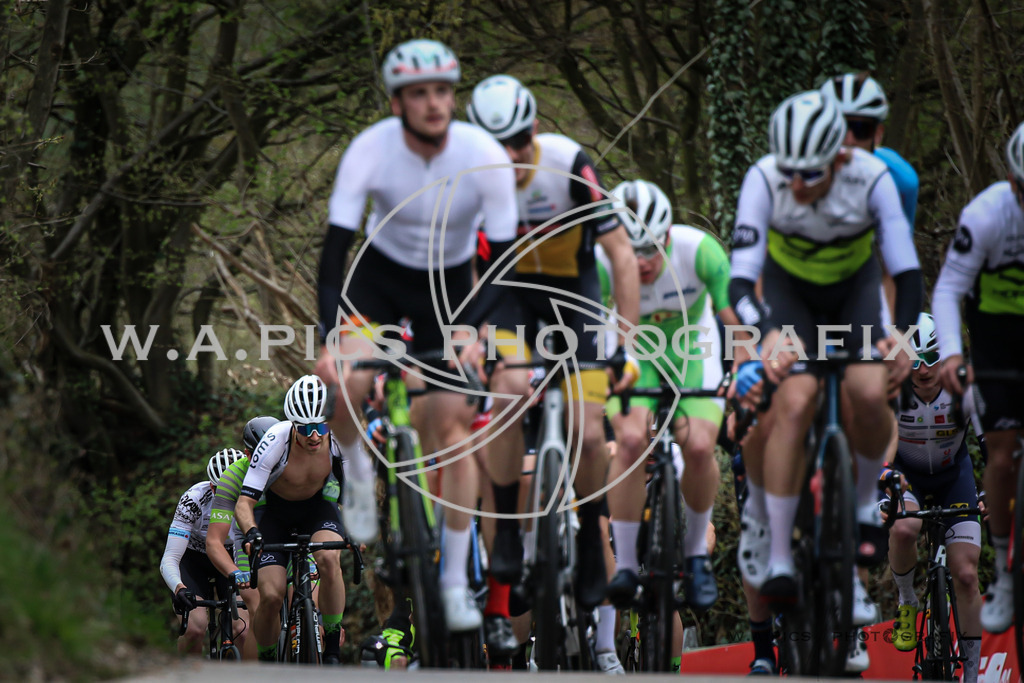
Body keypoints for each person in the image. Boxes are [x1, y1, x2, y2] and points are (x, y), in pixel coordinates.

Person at [314, 39, 519, 632]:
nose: (435, 104)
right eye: (420, 93)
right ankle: (355, 471)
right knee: (343, 378)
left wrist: (478, 330)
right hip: (377, 279)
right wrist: (332, 336)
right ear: (398, 102)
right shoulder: (369, 151)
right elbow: (333, 260)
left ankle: (456, 581)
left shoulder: (483, 154)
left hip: (450, 286)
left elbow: (502, 263)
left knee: (450, 427)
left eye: (443, 91)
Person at [727, 90, 922, 606]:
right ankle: (780, 557)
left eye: (809, 174)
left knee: (868, 388)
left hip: (852, 291)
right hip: (790, 293)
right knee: (793, 401)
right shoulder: (763, 178)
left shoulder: (873, 179)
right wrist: (766, 333)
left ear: (840, 156)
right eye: (788, 170)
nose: (796, 184)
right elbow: (740, 284)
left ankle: (862, 504)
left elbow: (905, 272)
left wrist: (899, 339)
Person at [464, 73, 639, 612]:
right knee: (510, 390)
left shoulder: (568, 162)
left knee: (590, 433)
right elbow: (463, 264)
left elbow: (622, 256)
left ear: (535, 129)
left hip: (575, 298)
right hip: (512, 300)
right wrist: (472, 333)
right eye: (499, 147)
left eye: (520, 142)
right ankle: (509, 530)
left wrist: (624, 344)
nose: (512, 156)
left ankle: (590, 536)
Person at [595, 178, 736, 614]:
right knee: (632, 441)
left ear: (669, 235)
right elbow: (593, 331)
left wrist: (745, 371)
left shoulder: (700, 252)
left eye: (652, 250)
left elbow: (736, 323)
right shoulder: (601, 262)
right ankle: (627, 566)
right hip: (636, 349)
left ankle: (695, 554)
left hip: (694, 347)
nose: (642, 263)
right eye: (632, 253)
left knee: (698, 446)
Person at [932, 120, 1024, 634]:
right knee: (1003, 448)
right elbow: (947, 291)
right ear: (1014, 181)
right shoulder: (987, 214)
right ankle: (1007, 566)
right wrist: (949, 356)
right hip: (996, 338)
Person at [881, 312, 982, 683]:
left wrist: (987, 493)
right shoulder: (891, 390)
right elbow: (878, 449)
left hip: (954, 477)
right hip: (908, 478)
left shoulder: (965, 388)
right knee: (904, 529)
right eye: (915, 359)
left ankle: (971, 673)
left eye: (933, 358)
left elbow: (989, 443)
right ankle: (907, 600)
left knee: (968, 574)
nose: (924, 370)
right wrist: (883, 492)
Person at [235, 375, 350, 663]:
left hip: (317, 510)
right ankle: (268, 655)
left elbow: (356, 492)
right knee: (271, 597)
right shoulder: (275, 441)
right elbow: (244, 503)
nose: (314, 435)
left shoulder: (340, 438)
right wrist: (251, 532)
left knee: (328, 559)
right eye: (306, 428)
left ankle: (332, 645)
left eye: (320, 426)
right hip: (274, 516)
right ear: (293, 426)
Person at [159, 448, 246, 654]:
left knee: (243, 630)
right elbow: (170, 557)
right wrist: (179, 587)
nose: (228, 496)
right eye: (220, 489)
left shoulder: (255, 500)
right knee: (195, 629)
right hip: (194, 560)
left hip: (233, 558)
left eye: (235, 490)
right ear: (210, 486)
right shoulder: (193, 500)